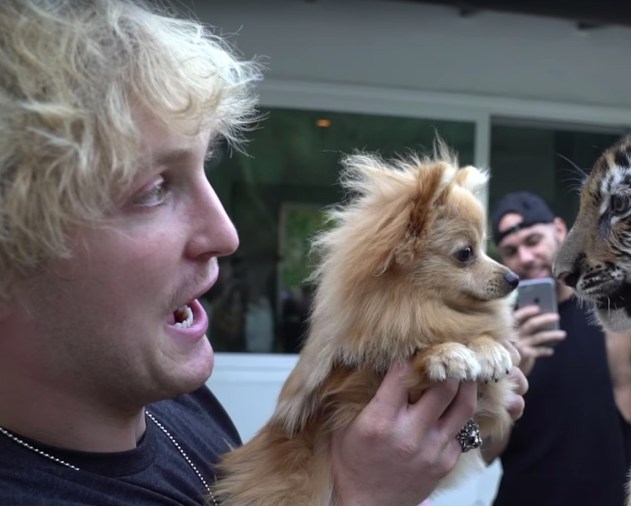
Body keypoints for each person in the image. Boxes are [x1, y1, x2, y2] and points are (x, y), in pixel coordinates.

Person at [0, 1, 526, 505]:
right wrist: (365, 497)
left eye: (206, 168)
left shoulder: (169, 401)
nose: (226, 233)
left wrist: (449, 430)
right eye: (153, 188)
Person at [486, 191, 631, 505]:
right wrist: (510, 378)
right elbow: (485, 454)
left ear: (560, 230)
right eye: (511, 251)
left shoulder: (621, 311)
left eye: (533, 241)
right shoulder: (499, 334)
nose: (526, 258)